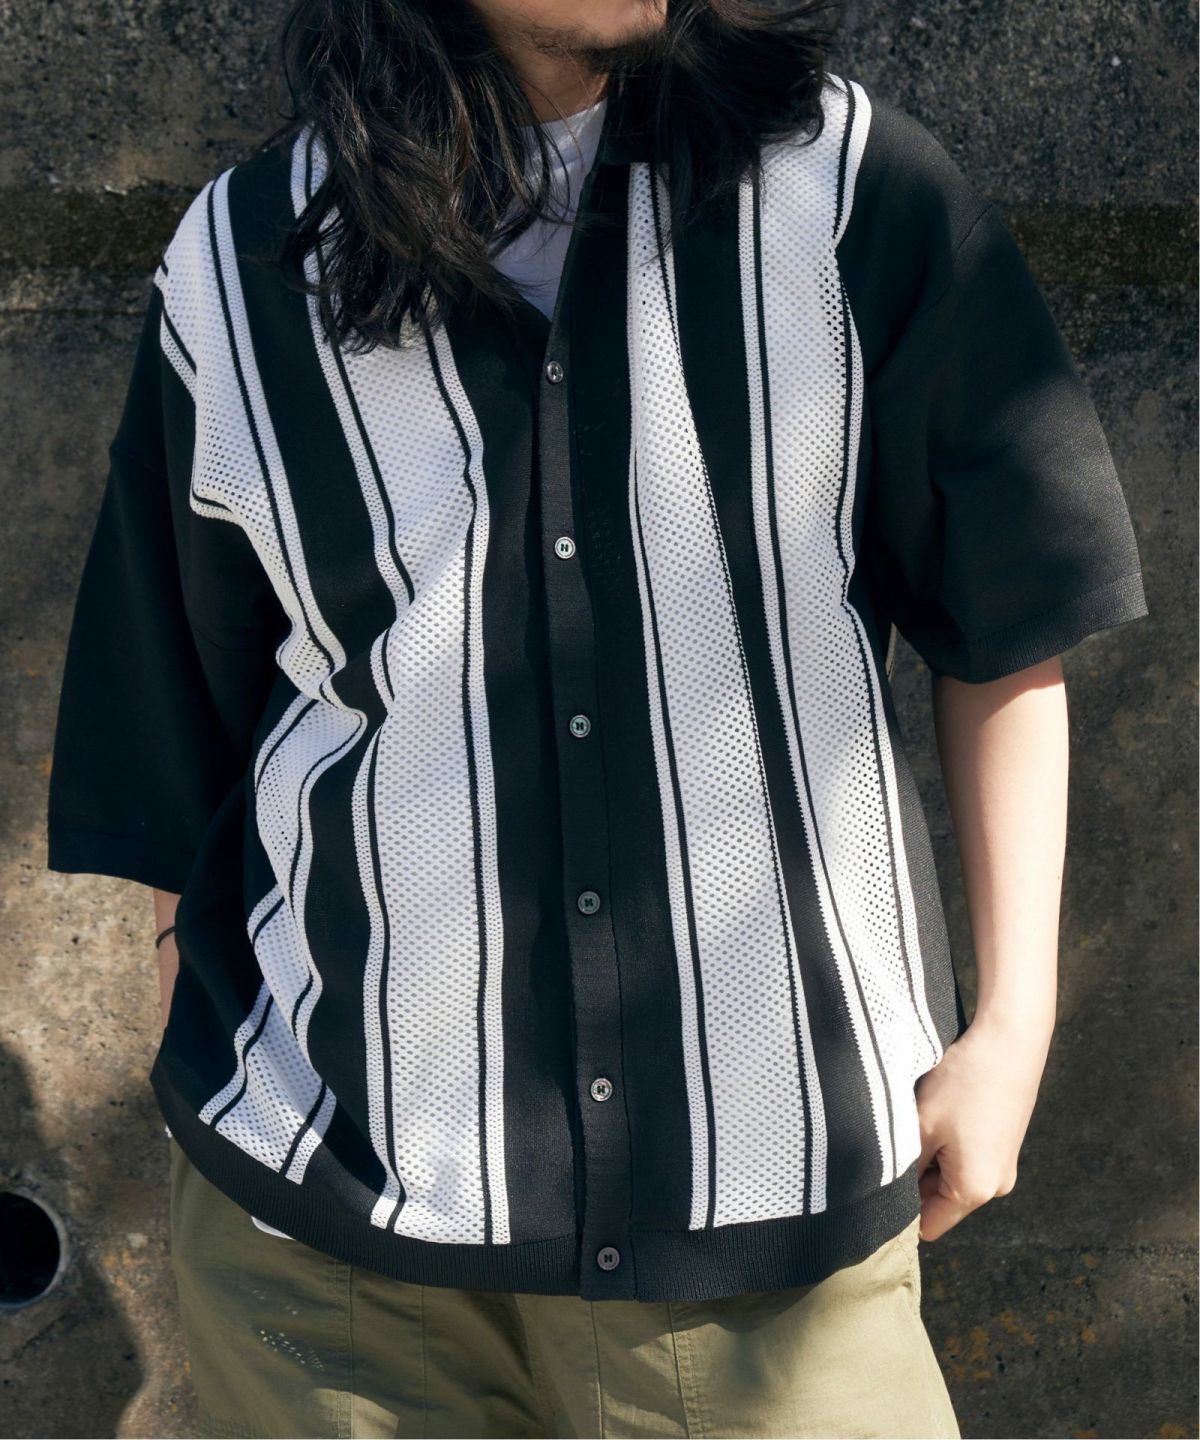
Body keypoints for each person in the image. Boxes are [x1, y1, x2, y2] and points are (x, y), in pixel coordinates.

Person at [44, 0, 1150, 1434]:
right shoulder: (241, 258)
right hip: (335, 1266)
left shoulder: (852, 193)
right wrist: (207, 1034)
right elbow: (179, 715)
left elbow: (1006, 623)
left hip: (770, 1227)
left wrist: (1013, 1028)